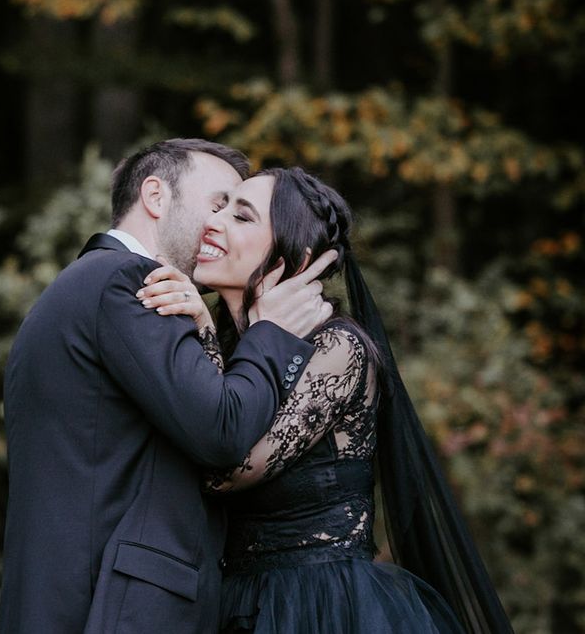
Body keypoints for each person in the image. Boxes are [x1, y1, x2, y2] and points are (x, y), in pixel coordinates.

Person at [139, 166, 514, 633]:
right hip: (233, 603)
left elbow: (224, 470)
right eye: (219, 209)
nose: (213, 223)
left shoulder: (337, 349)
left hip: (323, 605)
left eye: (242, 216)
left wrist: (205, 333)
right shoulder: (229, 343)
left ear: (294, 259)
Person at [0, 139, 336, 633]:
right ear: (155, 196)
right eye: (217, 203)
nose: (219, 225)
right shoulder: (128, 281)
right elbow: (221, 430)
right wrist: (272, 334)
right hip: (108, 610)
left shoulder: (85, 283)